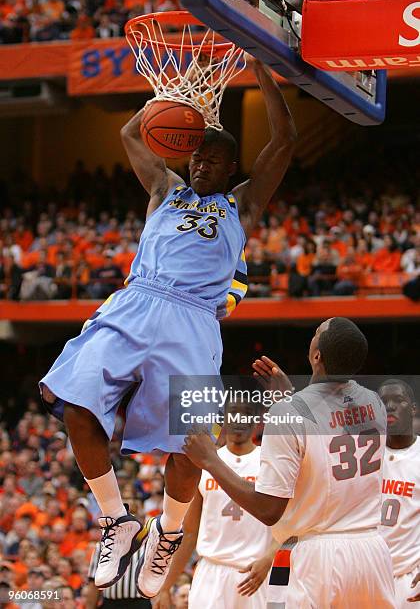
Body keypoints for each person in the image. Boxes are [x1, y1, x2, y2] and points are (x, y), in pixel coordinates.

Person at [39, 56, 296, 601]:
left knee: (191, 446)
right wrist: (176, 97)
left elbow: (285, 140)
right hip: (135, 303)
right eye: (198, 154)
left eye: (214, 158)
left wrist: (263, 68)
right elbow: (132, 131)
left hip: (193, 323)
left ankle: (169, 532)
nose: (202, 163)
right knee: (76, 403)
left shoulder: (241, 205)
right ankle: (116, 520)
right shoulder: (163, 189)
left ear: (231, 169)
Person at [183, 317, 396, 608]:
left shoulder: (288, 414)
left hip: (320, 556)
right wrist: (287, 400)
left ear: (316, 355)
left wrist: (210, 460)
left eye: (317, 332)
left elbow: (269, 509)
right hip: (373, 551)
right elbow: (327, 414)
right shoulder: (374, 403)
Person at [155, 401, 277, 609]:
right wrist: (165, 586)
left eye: (246, 413)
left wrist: (269, 559)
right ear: (224, 420)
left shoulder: (269, 461)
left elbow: (287, 524)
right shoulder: (204, 463)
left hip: (256, 573)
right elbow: (190, 533)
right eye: (233, 414)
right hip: (211, 572)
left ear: (257, 421)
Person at [379, 379, 420, 607]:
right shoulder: (364, 455)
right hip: (367, 572)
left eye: (399, 400)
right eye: (383, 402)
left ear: (413, 408)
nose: (390, 406)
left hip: (410, 575)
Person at [86, 545, 152, 609]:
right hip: (111, 603)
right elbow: (93, 583)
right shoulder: (103, 544)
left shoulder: (149, 542)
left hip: (140, 603)